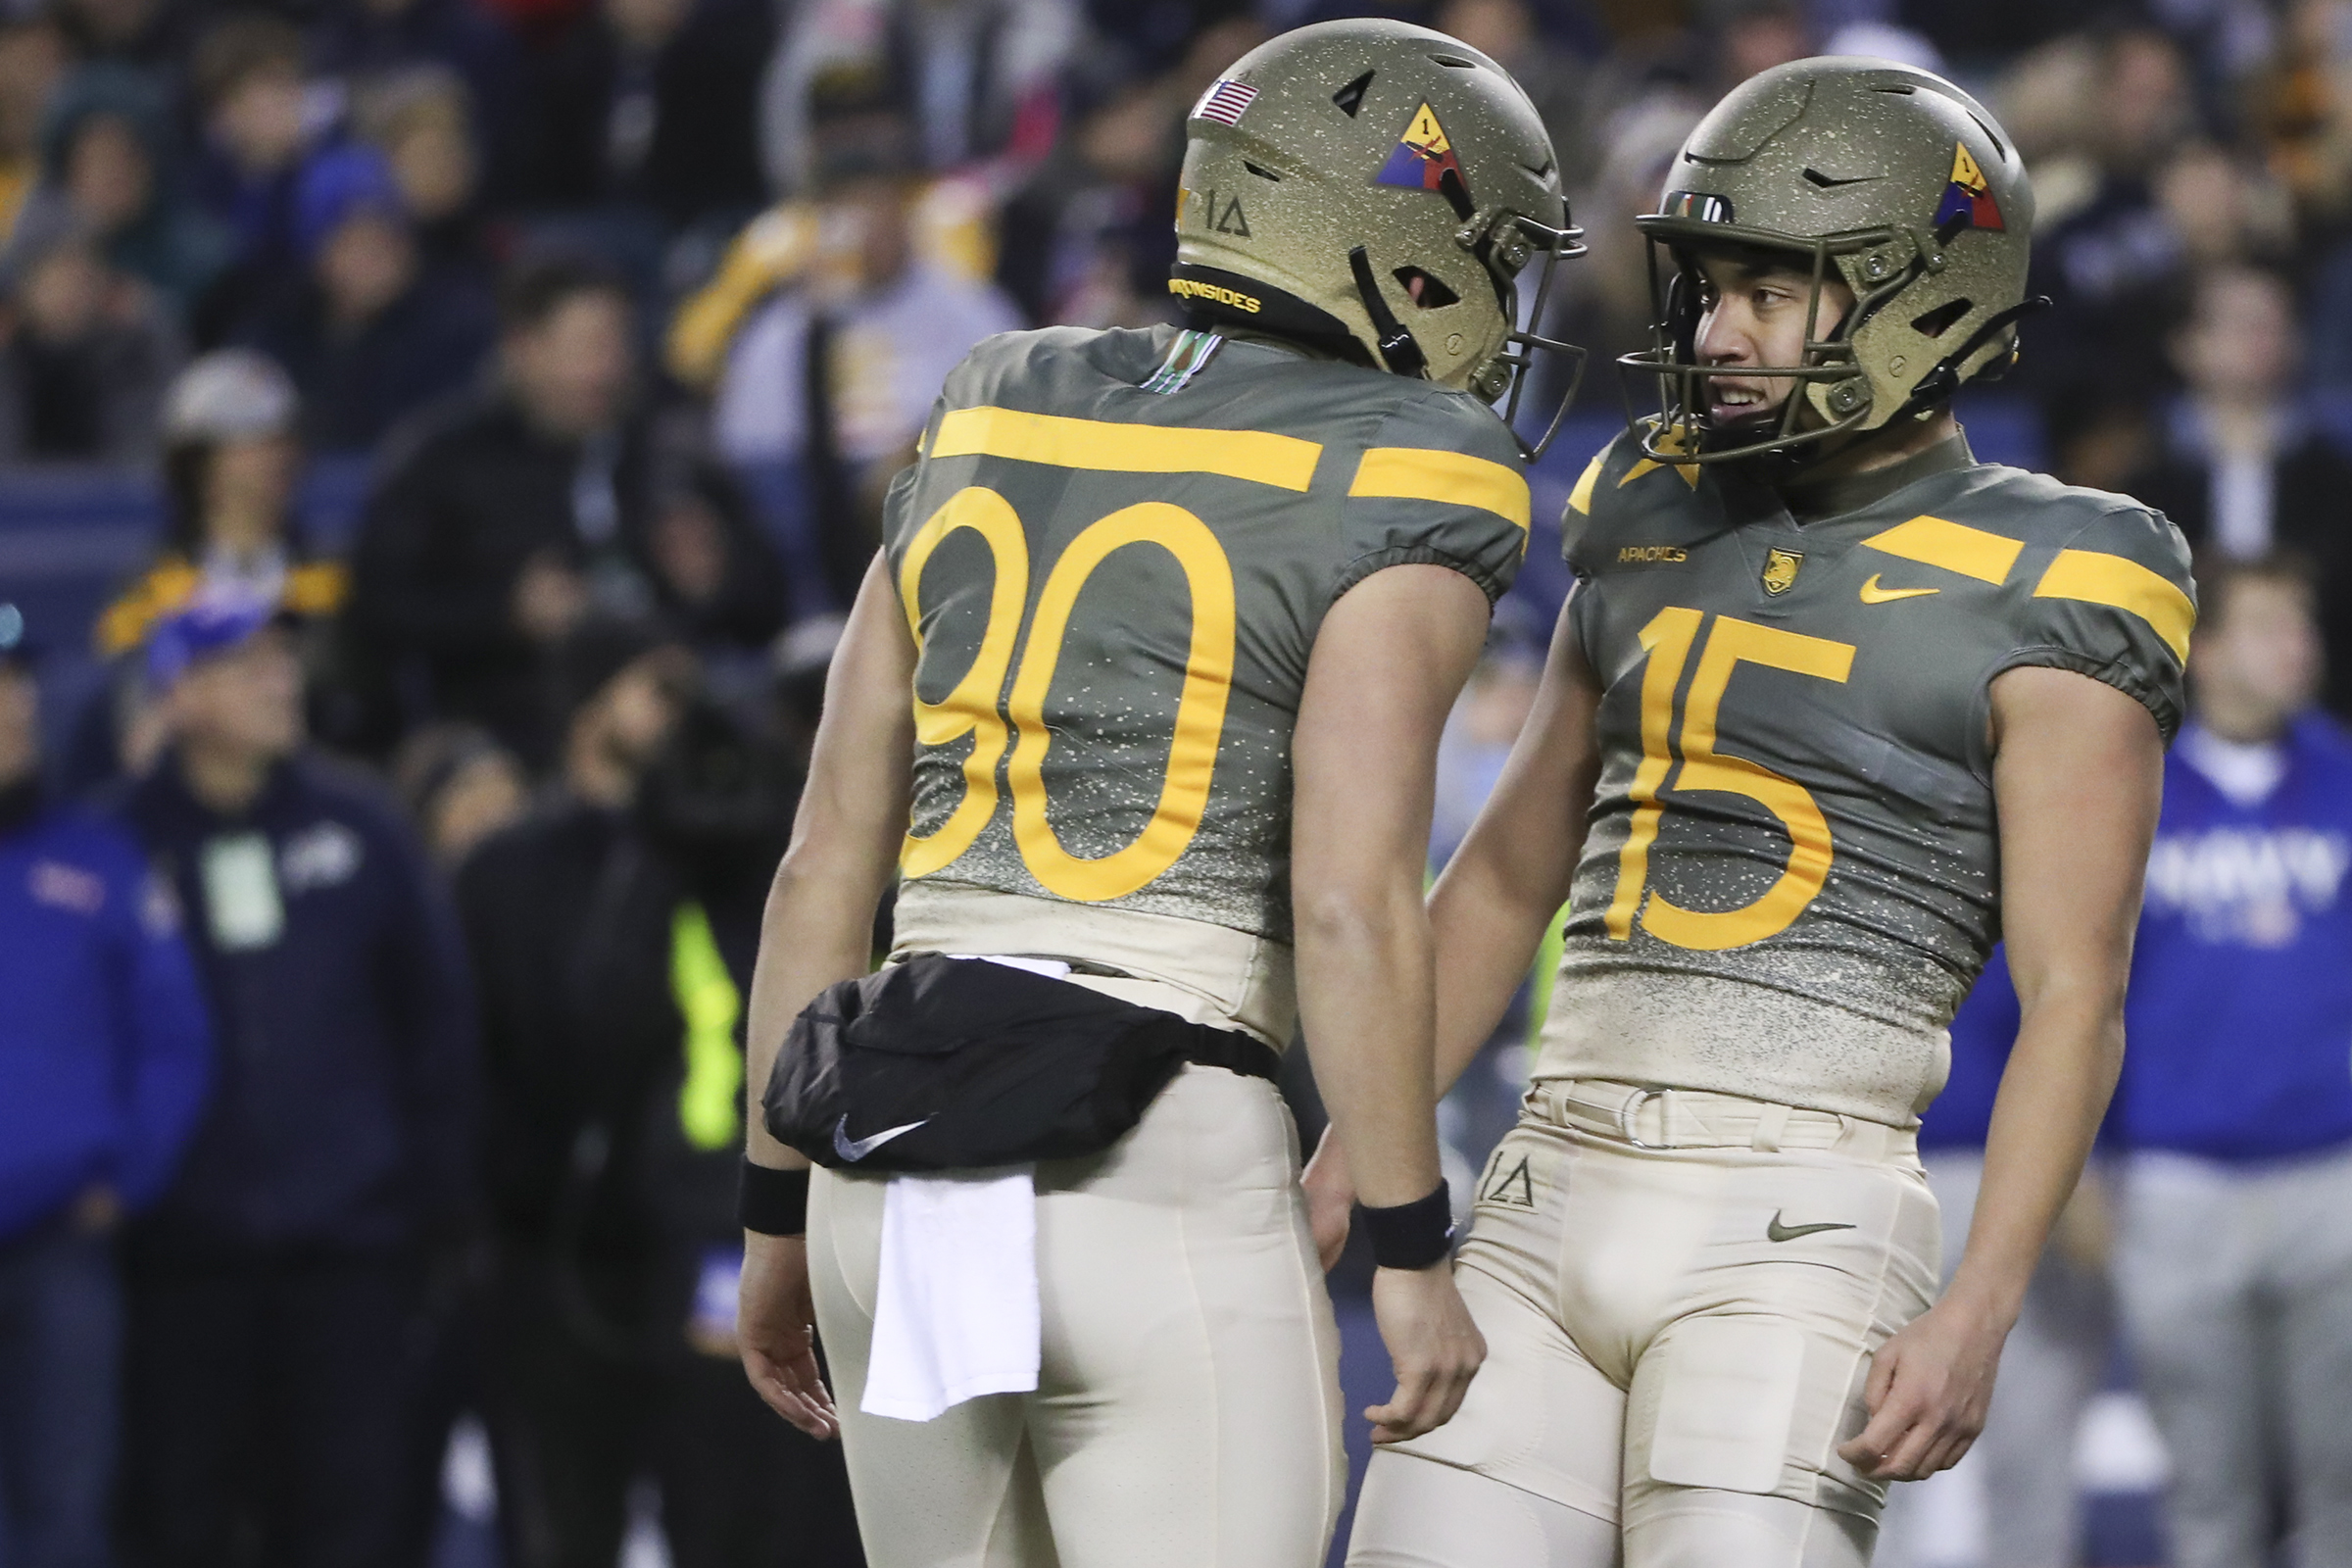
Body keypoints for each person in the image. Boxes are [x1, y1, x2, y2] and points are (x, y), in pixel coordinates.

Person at [735, 19, 1577, 1566]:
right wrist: (1403, 1239)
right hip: (1154, 1147)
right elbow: (1347, 892)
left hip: (889, 1135)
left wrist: (773, 1216)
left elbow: (819, 869)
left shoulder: (994, 393)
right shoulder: (1416, 464)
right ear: (1390, 245)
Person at [1334, 57, 2191, 1568]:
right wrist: (1359, 1152)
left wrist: (1981, 1302)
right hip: (1545, 1177)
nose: (1718, 335)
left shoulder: (2065, 573)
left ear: (1921, 297)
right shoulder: (1648, 495)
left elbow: (2077, 994)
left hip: (1802, 1212)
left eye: (1772, 294)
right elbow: (1507, 875)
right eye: (1712, 288)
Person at [456, 622, 861, 1568]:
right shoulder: (518, 870)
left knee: (762, 1515)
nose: (683, 720)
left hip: (725, 1234)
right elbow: (541, 1046)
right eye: (657, 690)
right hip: (567, 1248)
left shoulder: (749, 845)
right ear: (593, 707)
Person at [111, 591, 477, 1568]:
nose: (280, 682)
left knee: (353, 1522)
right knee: (182, 1521)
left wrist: (429, 1205)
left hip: (350, 1255)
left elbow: (437, 1022)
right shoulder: (120, 844)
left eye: (282, 660)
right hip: (179, 1266)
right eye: (244, 666)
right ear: (178, 696)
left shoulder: (363, 825)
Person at [2109, 553, 2352, 1568]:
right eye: (2266, 625)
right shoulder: (2129, 789)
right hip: (2177, 1183)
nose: (2297, 644)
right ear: (2201, 652)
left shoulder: (2344, 775)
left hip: (2331, 1172)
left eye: (2302, 623)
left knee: (2343, 1489)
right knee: (2208, 1492)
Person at [348, 255, 785, 764]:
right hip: (516, 723)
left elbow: (766, 606)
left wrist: (717, 579)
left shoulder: (671, 442)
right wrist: (504, 613)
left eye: (617, 345)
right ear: (523, 349)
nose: (606, 369)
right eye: (583, 348)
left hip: (690, 708)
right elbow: (378, 608)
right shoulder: (444, 459)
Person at [0, 602, 212, 1568]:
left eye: (17, 685)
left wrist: (123, 1180)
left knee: (69, 1515)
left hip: (60, 1248)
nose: (10, 707)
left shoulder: (96, 856)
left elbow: (174, 1040)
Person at [1873, 947, 2117, 1568]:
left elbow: (2097, 1006)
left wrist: (2091, 1166)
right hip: (1869, 1164)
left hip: (2022, 1176)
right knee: (1868, 1438)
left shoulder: (2042, 881)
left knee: (2032, 1437)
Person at [2121, 266, 2352, 716]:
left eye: (2274, 322)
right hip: (2172, 702)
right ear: (2186, 345)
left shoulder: (2333, 478)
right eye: (2240, 322)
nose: (2260, 337)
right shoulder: (2146, 479)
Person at [234, 143, 496, 453]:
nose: (375, 253)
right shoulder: (279, 328)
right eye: (351, 239)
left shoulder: (459, 325)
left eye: (386, 234)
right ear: (316, 256)